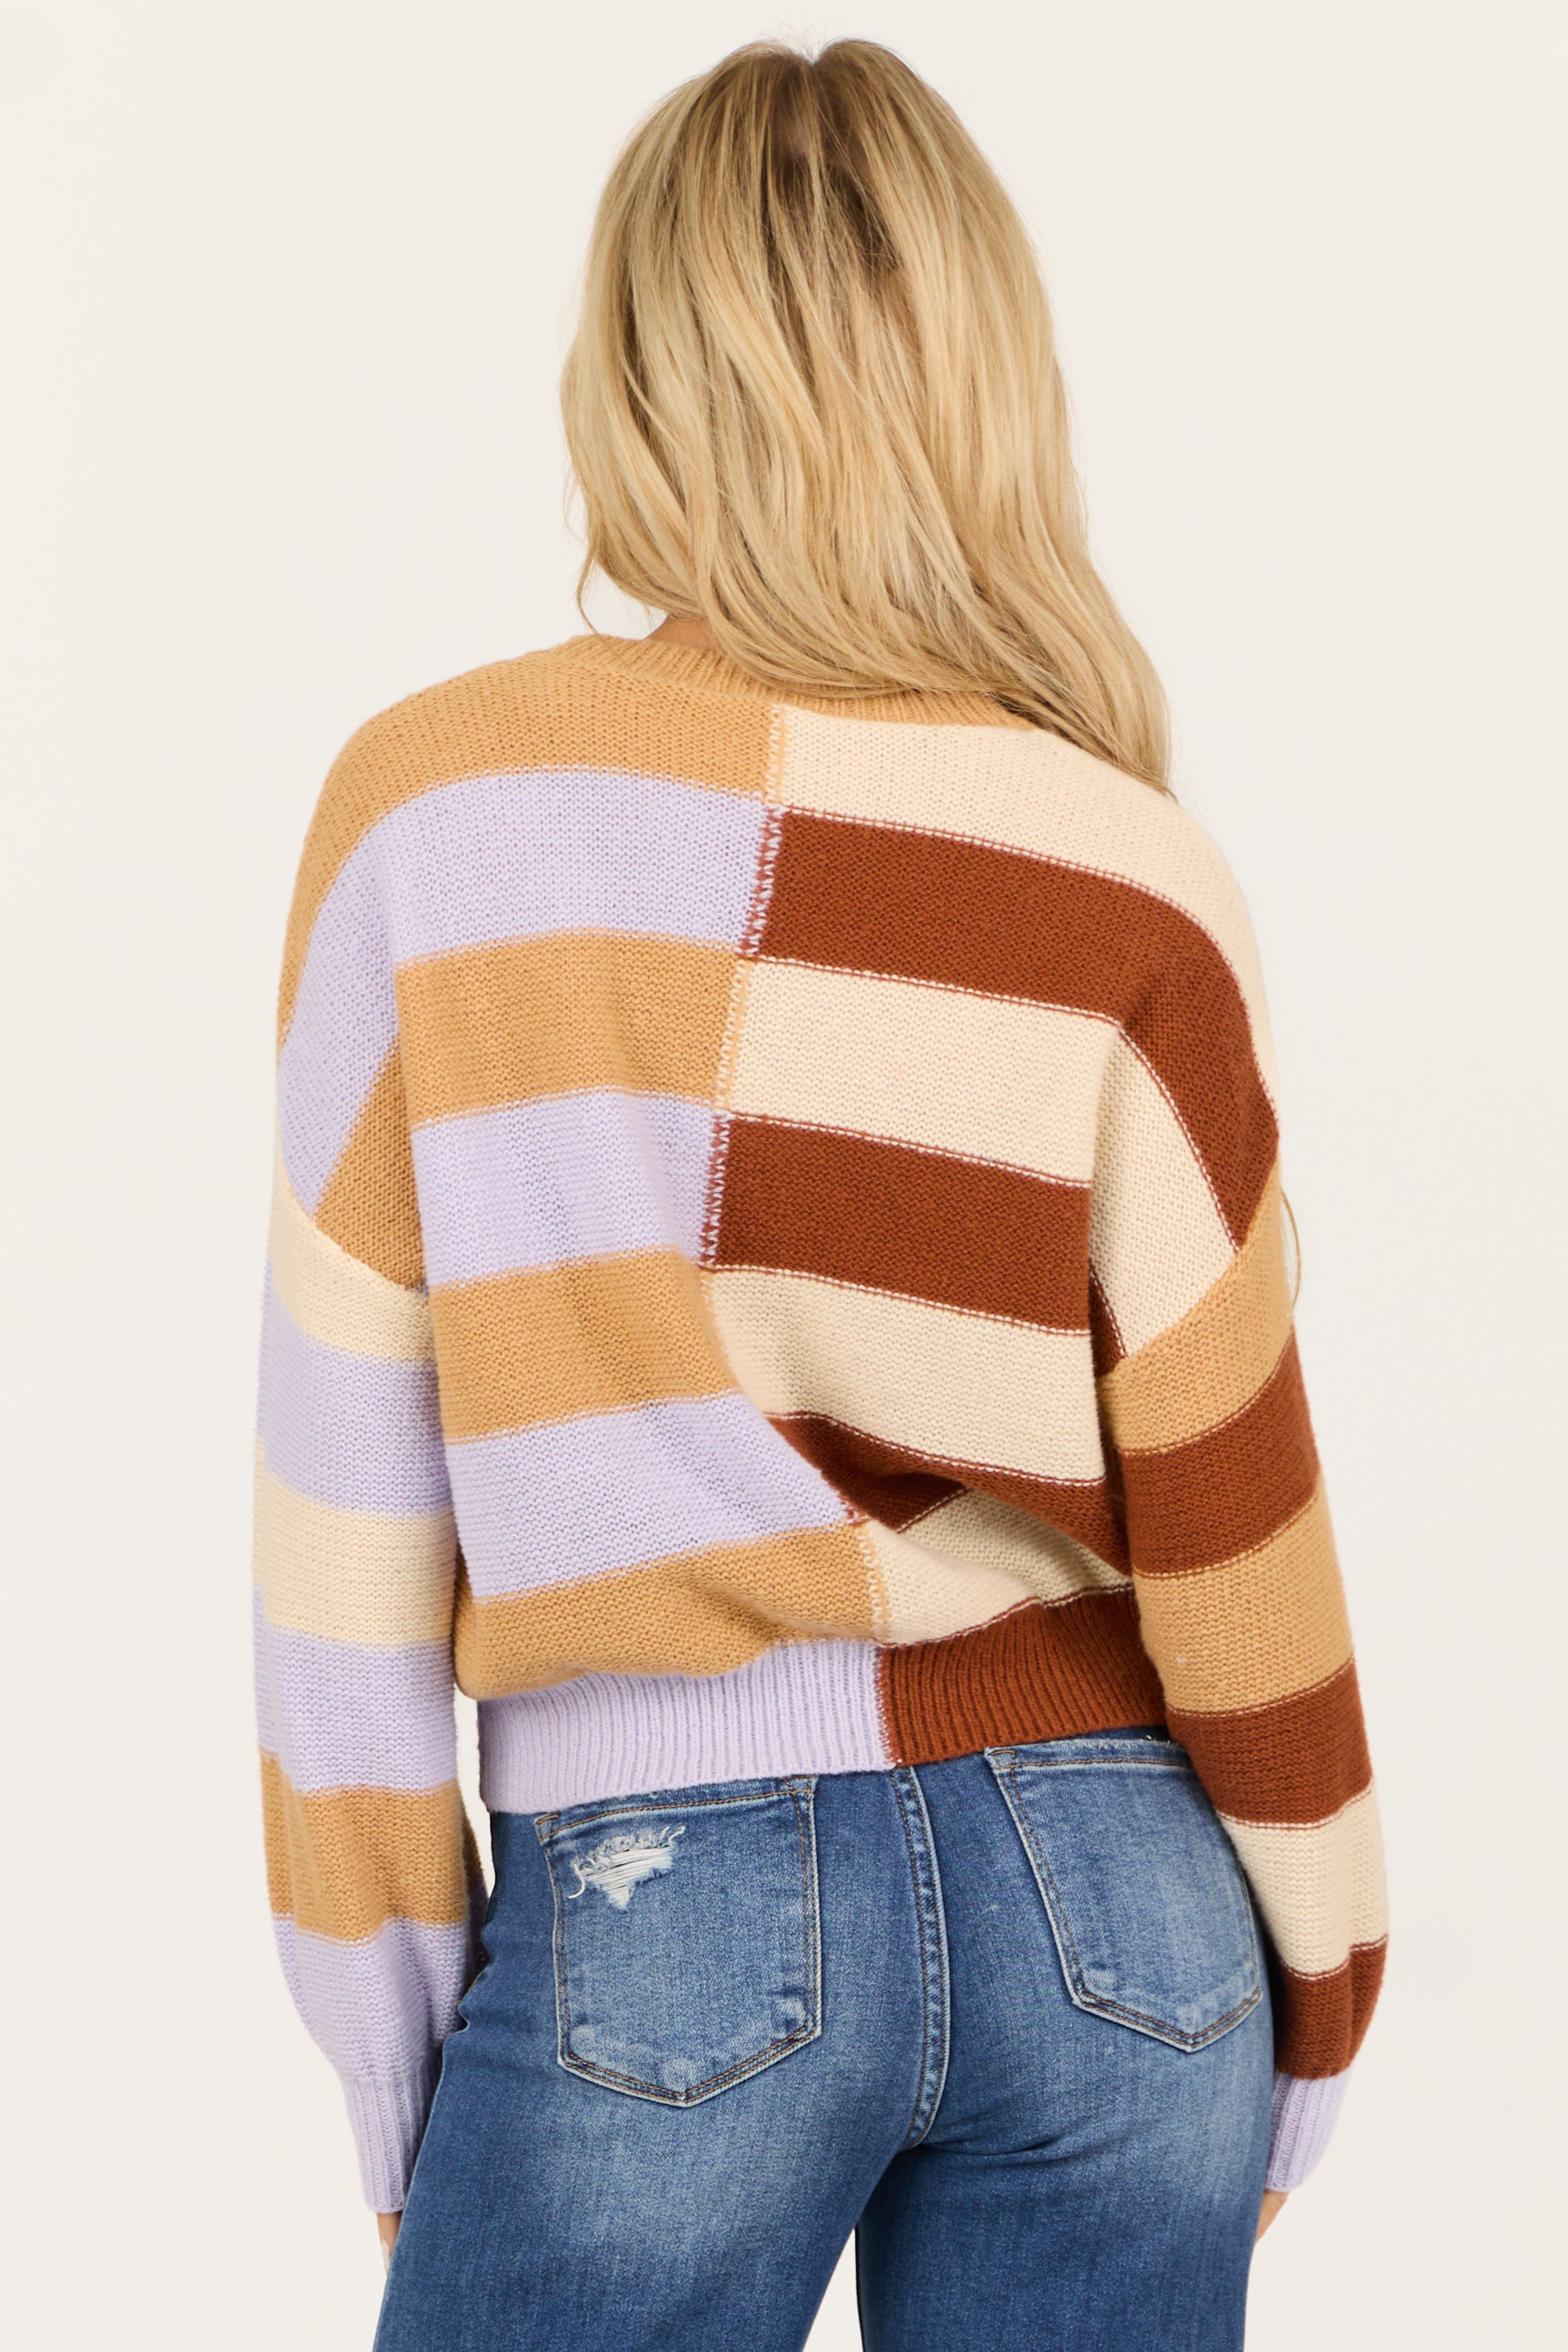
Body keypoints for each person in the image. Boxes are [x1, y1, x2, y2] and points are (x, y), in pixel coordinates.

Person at [254, 39, 1385, 2351]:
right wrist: (1322, 1971)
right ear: (983, 374)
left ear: (632, 369)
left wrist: (391, 2040)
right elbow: (1236, 1500)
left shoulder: (434, 819)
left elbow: (343, 1503)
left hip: (662, 1914)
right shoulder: (1128, 867)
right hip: (1127, 1913)